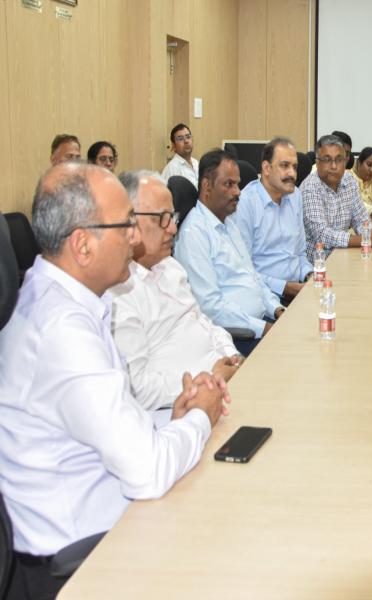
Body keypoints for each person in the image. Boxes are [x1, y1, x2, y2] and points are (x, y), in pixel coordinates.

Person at [0, 163, 226, 598]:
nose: (136, 238)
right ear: (82, 244)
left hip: (110, 514)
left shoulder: (66, 300)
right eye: (126, 225)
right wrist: (199, 417)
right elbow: (149, 470)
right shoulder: (62, 332)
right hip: (83, 559)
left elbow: (108, 423)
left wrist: (171, 421)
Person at [109, 170, 243, 411]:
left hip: (225, 385)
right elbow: (136, 389)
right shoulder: (119, 293)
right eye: (161, 218)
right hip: (182, 410)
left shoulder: (170, 266)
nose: (172, 229)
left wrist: (231, 357)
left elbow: (204, 322)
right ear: (128, 220)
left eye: (173, 217)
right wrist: (208, 377)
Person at [174, 149, 285, 355]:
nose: (237, 192)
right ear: (206, 185)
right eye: (229, 184)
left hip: (261, 323)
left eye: (238, 184)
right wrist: (266, 329)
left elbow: (252, 277)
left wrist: (277, 309)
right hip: (238, 336)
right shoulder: (194, 233)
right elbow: (210, 307)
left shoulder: (229, 222)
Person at [233, 137, 314, 305]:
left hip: (298, 290)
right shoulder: (245, 203)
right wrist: (285, 287)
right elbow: (243, 269)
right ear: (266, 168)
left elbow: (300, 253)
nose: (292, 173)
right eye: (284, 166)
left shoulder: (295, 195)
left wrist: (310, 275)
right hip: (264, 297)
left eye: (294, 167)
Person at [301, 134, 372, 260]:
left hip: (342, 256)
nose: (333, 166)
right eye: (327, 160)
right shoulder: (310, 187)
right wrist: (365, 239)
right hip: (316, 264)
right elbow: (321, 235)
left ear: (345, 161)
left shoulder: (349, 181)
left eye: (339, 160)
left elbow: (360, 219)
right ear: (317, 162)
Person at [161, 123, 199, 188]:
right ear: (174, 146)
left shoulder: (196, 163)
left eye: (188, 137)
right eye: (180, 139)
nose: (186, 141)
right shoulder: (171, 169)